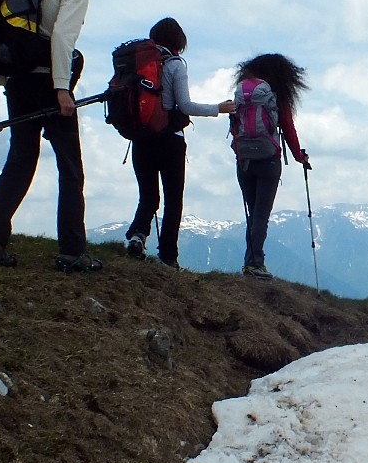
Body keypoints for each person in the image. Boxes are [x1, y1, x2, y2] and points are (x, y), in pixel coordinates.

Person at [0, 0, 101, 273]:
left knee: (19, 160)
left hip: (17, 82)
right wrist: (62, 90)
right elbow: (62, 38)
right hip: (48, 81)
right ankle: (73, 252)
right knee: (70, 168)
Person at [124, 17, 235, 268]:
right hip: (170, 140)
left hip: (141, 137)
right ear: (179, 42)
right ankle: (168, 257)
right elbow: (184, 105)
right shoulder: (175, 65)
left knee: (149, 196)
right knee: (173, 200)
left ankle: (138, 236)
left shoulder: (137, 64)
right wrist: (218, 108)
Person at [230, 53, 310, 280]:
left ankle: (251, 262)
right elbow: (288, 128)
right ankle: (255, 263)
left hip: (244, 160)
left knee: (253, 212)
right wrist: (299, 156)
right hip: (269, 159)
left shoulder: (241, 94)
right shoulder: (275, 97)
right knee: (261, 216)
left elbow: (235, 126)